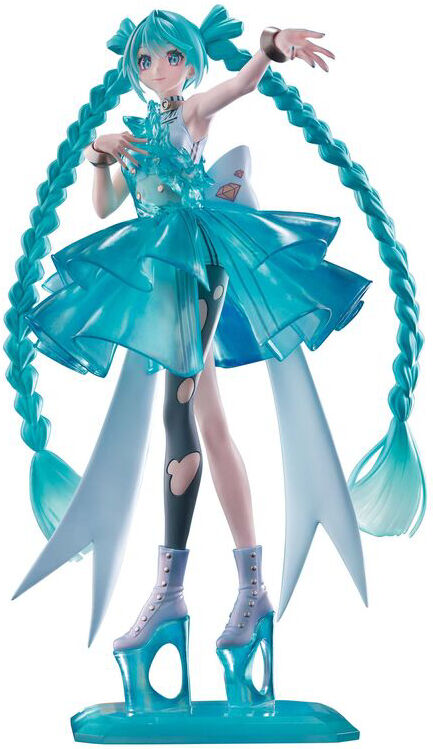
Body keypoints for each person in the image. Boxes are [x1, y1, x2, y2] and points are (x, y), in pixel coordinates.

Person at [8, 6, 424, 711]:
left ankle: (171, 591)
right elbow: (107, 207)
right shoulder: (138, 132)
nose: (158, 70)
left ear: (188, 61)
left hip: (198, 266)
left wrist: (269, 46)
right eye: (146, 61)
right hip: (157, 276)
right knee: (210, 426)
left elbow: (239, 86)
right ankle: (249, 590)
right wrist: (101, 157)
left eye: (170, 58)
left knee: (179, 418)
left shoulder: (191, 113)